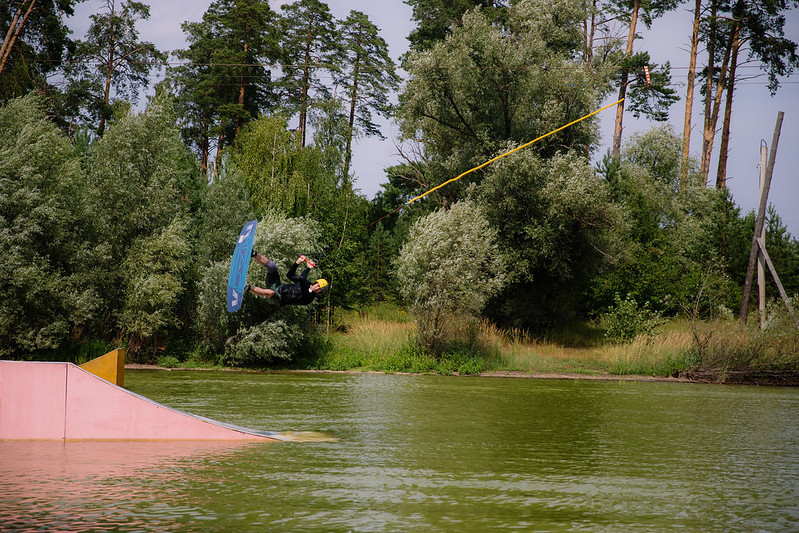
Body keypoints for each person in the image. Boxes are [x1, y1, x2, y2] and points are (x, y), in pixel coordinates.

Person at [245, 250, 328, 306]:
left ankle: (246, 287)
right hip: (278, 286)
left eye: (319, 289)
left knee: (270, 293)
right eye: (318, 285)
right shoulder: (307, 283)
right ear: (315, 282)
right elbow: (290, 275)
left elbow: (303, 280)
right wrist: (297, 263)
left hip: (280, 299)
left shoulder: (309, 298)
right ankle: (253, 253)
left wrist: (308, 268)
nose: (317, 288)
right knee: (273, 267)